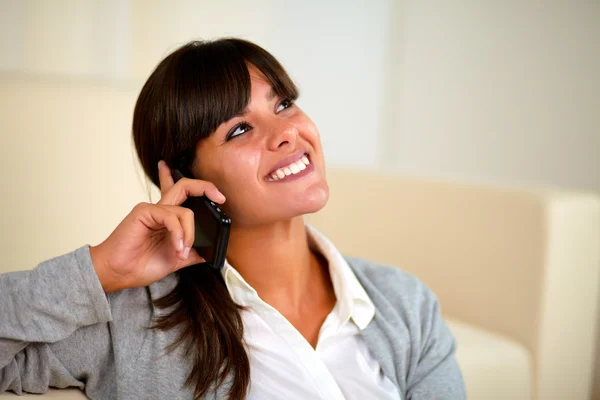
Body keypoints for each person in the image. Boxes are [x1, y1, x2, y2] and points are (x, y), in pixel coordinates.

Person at [0, 38, 466, 400]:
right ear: (187, 179)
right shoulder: (130, 324)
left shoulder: (405, 305)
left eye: (283, 103)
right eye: (239, 129)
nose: (286, 132)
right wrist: (102, 269)